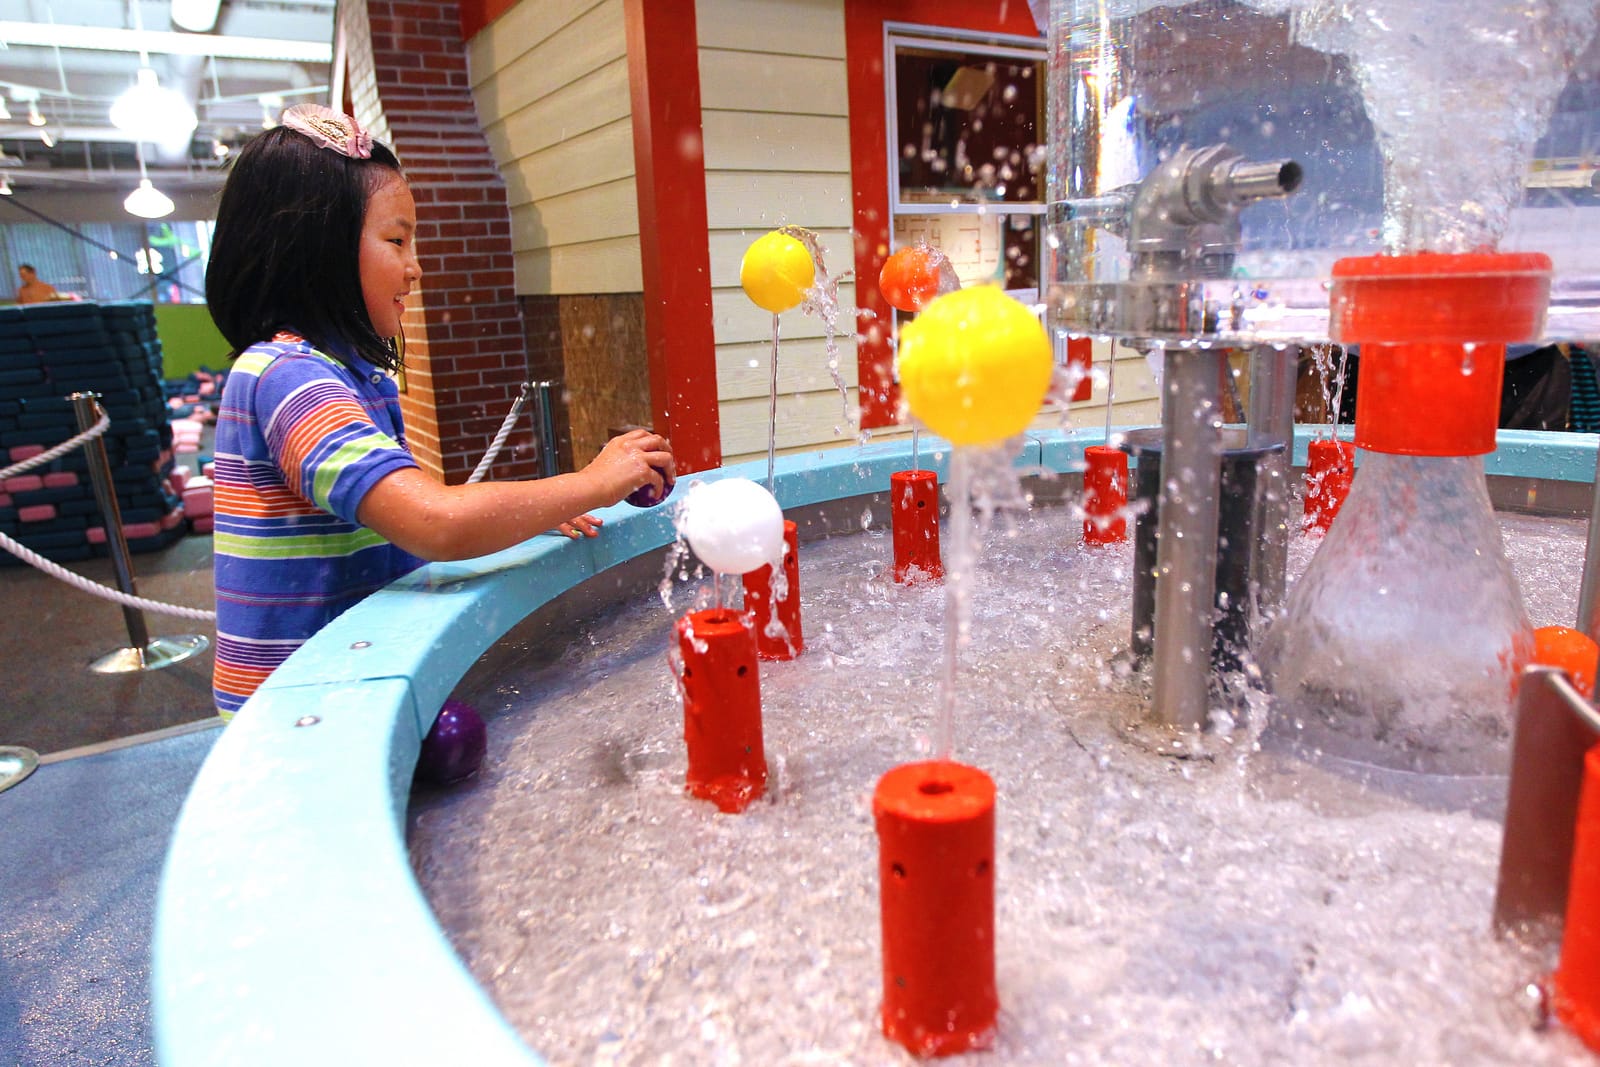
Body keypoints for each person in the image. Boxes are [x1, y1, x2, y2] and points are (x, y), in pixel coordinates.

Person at [205, 104, 673, 719]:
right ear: (315, 248)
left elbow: (406, 518)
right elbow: (434, 522)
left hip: (348, 674)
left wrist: (534, 511)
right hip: (296, 712)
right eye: (396, 240)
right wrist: (592, 481)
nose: (415, 266)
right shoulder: (289, 378)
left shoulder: (347, 374)